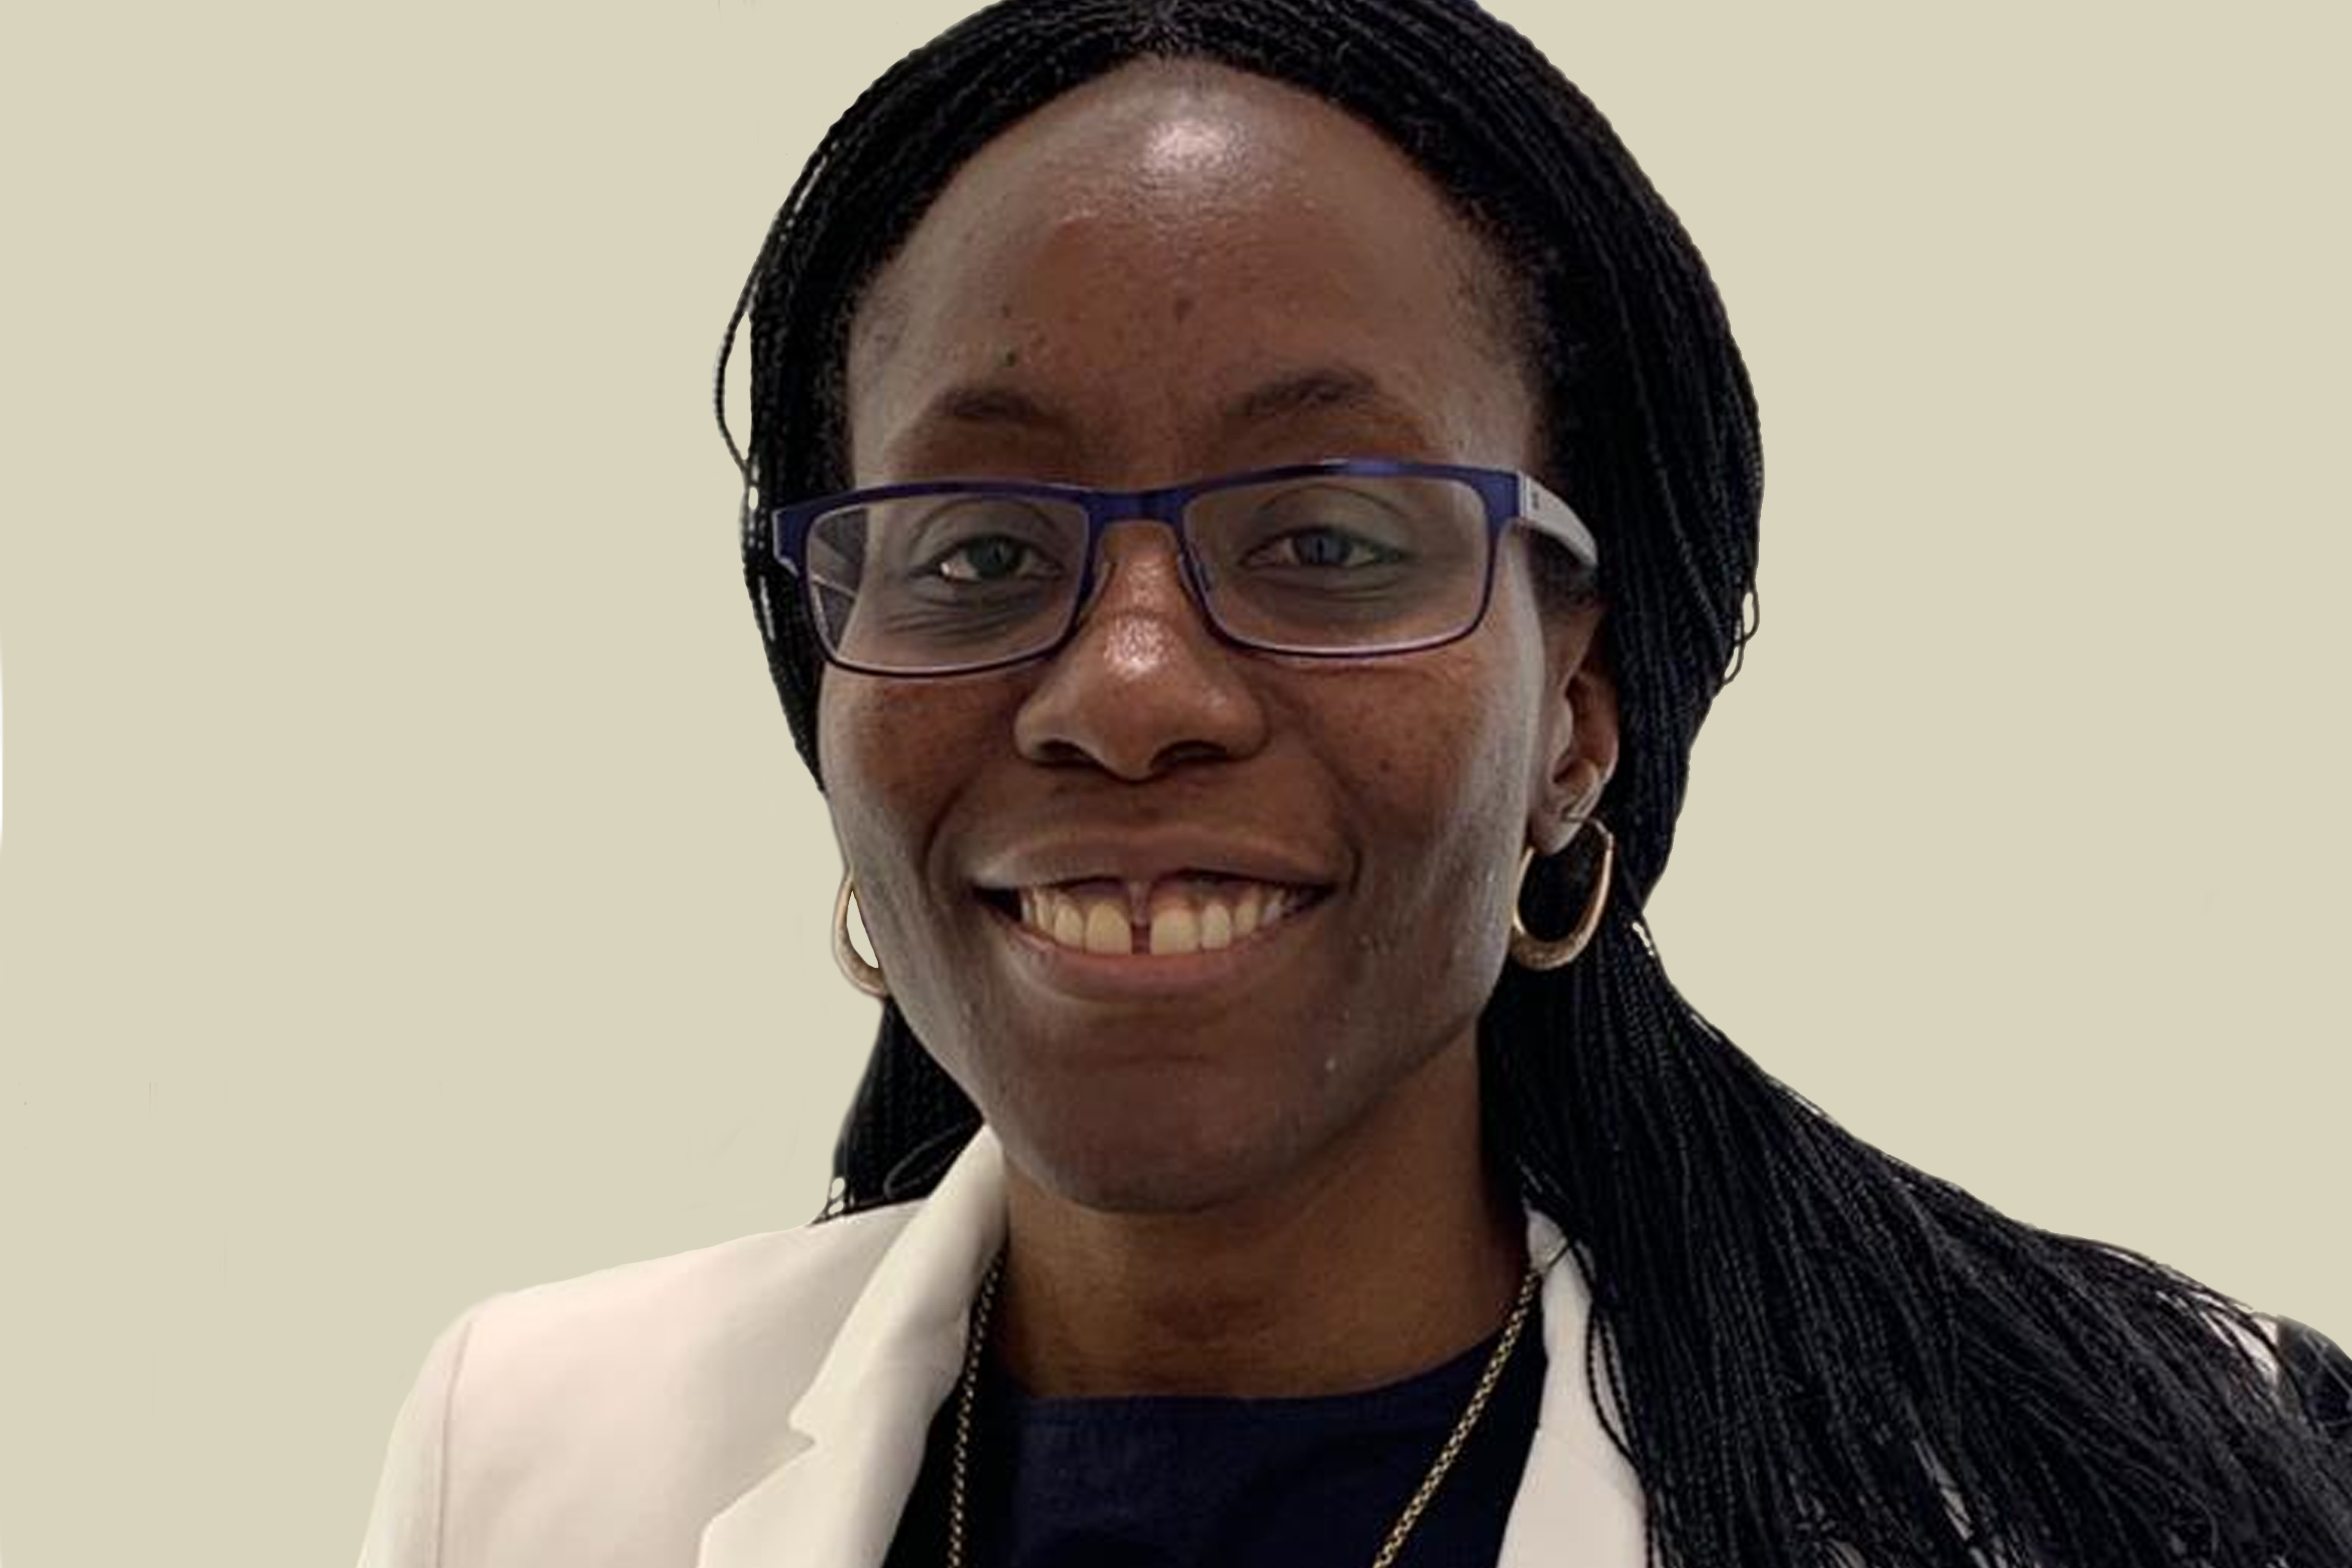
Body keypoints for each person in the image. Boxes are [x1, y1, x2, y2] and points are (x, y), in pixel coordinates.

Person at [355, 2, 2351, 1564]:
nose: (1127, 693)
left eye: (1327, 540)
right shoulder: (530, 1458)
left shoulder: (2129, 1498)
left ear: (1580, 714)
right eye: (977, 554)